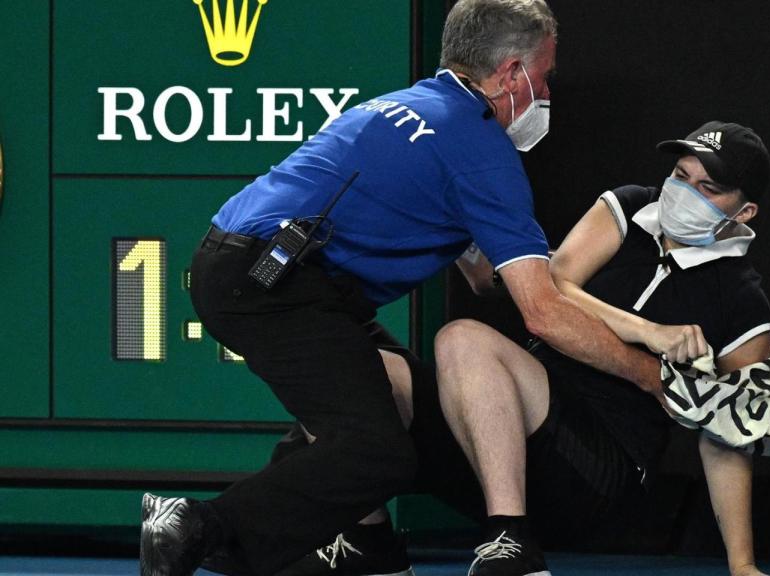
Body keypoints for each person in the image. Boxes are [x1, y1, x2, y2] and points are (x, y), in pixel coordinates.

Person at [139, 1, 665, 575]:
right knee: (375, 451)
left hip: (247, 264)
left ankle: (370, 552)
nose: (544, 91)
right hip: (277, 284)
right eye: (544, 76)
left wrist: (518, 248)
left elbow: (480, 276)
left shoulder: (413, 102)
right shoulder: (483, 156)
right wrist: (649, 374)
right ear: (512, 74)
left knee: (383, 395)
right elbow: (540, 315)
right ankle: (196, 527)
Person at [425, 120, 770, 576]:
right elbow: (554, 287)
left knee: (464, 338)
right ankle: (362, 542)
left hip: (603, 468)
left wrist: (742, 565)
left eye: (707, 188)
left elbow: (727, 434)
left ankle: (511, 541)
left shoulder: (743, 303)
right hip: (518, 430)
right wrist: (646, 331)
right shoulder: (629, 206)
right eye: (680, 175)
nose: (684, 193)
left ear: (744, 212)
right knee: (384, 370)